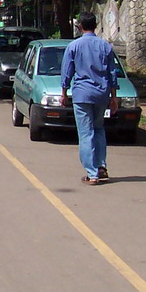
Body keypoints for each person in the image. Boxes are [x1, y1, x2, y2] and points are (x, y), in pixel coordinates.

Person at [61, 13, 118, 186]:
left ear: (79, 26)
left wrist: (64, 93)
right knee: (99, 129)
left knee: (86, 133)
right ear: (96, 25)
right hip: (101, 94)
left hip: (82, 95)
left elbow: (67, 72)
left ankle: (92, 173)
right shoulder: (105, 46)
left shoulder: (73, 46)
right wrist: (113, 97)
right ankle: (101, 166)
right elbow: (113, 73)